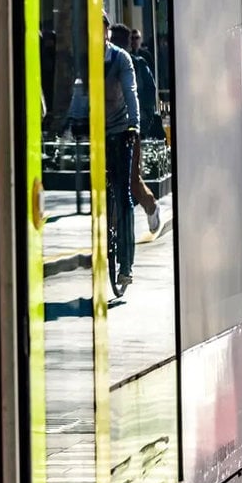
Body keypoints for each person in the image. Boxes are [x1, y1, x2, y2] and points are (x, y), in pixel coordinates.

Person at [109, 24, 162, 234]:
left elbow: (146, 96)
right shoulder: (105, 64)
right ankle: (114, 229)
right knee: (111, 179)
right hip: (108, 129)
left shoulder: (137, 64)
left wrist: (140, 124)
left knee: (131, 179)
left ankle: (151, 206)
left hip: (130, 129)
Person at [103, 15, 139, 286]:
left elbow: (131, 91)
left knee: (122, 193)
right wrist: (72, 121)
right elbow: (80, 92)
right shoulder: (86, 59)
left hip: (118, 131)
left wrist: (134, 125)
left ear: (107, 31)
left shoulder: (121, 59)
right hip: (96, 134)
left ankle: (125, 264)